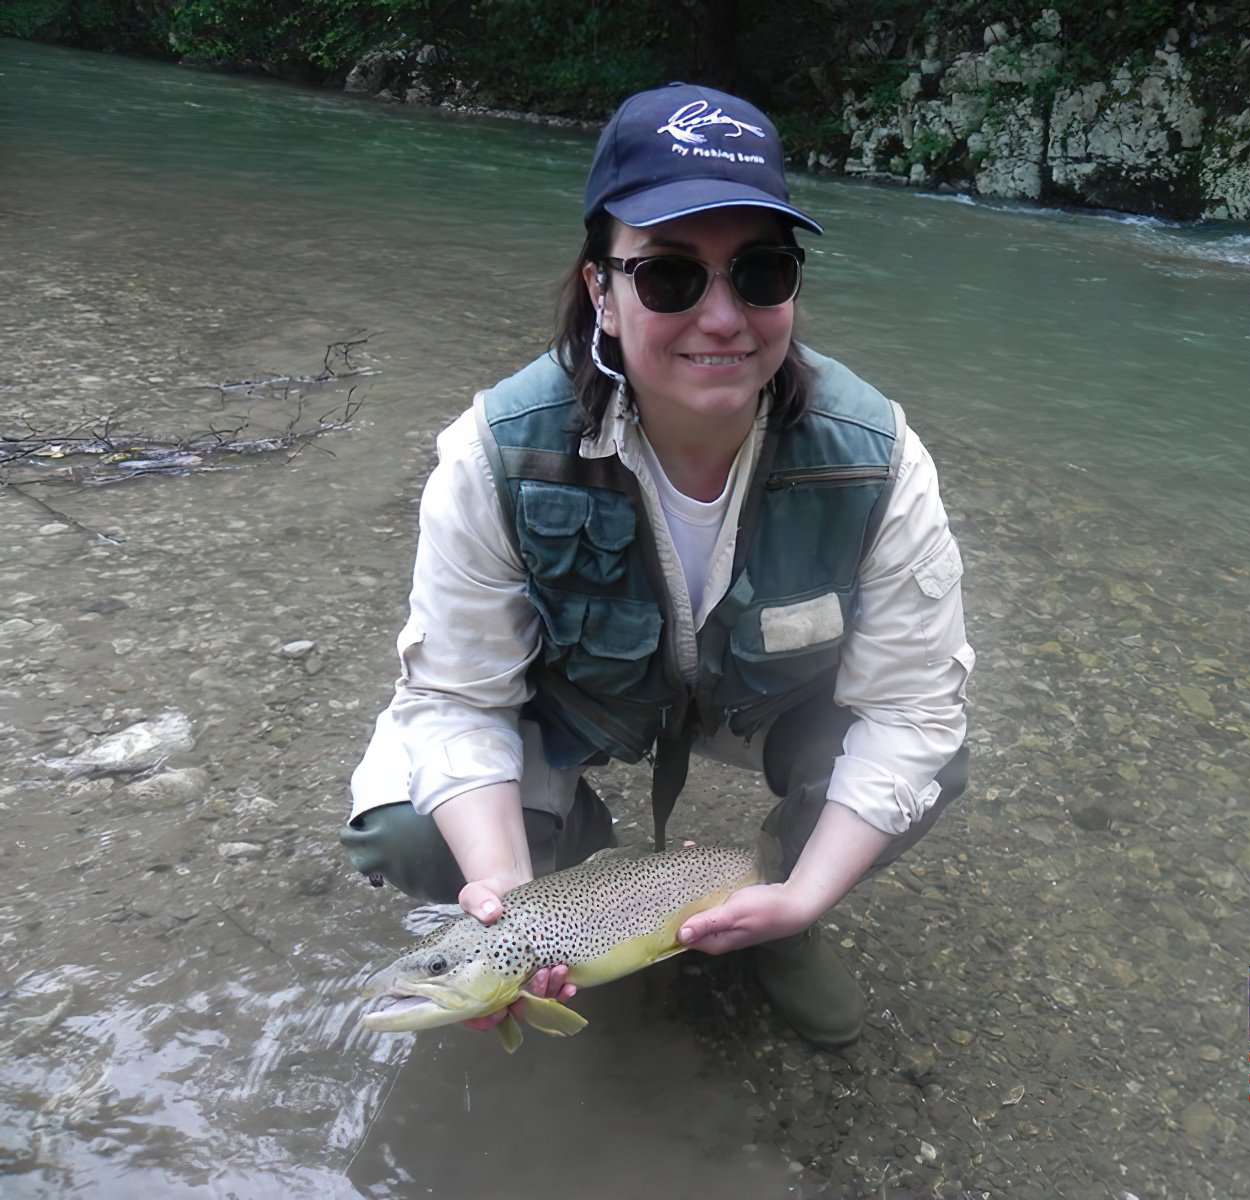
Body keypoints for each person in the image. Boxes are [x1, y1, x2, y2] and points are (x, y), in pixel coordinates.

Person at [341, 82, 973, 1049]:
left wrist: (806, 894)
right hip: (580, 701)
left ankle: (770, 911)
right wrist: (508, 894)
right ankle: (587, 896)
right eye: (671, 276)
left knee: (934, 759)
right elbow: (458, 700)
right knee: (407, 828)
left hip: (765, 704)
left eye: (760, 273)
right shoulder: (492, 453)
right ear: (601, 289)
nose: (723, 317)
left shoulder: (878, 458)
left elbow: (913, 712)